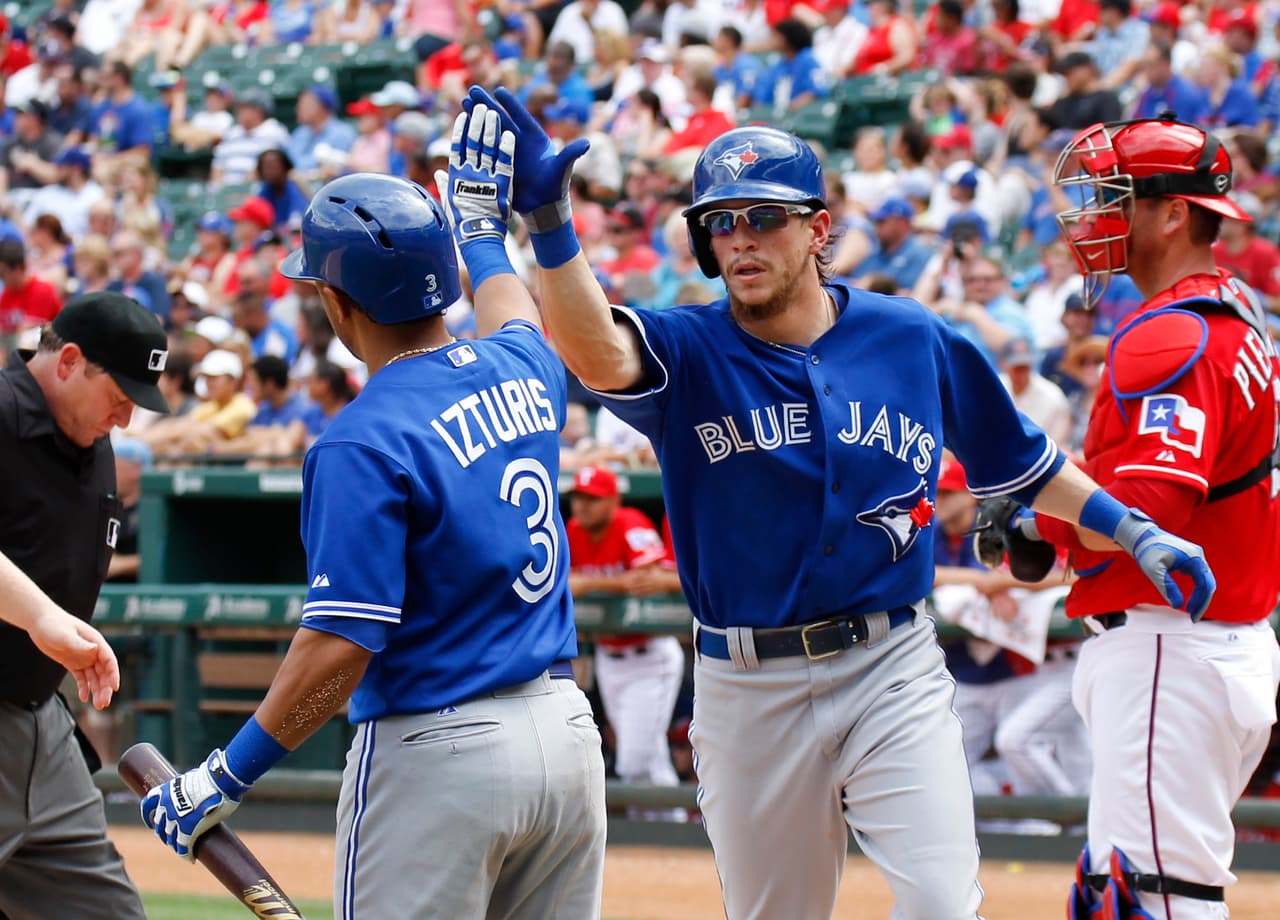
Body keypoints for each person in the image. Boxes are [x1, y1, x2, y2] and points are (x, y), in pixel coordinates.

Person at [473, 87, 1215, 919]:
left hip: (889, 665)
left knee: (942, 905)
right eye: (722, 223)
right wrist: (548, 224)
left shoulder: (909, 334)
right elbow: (597, 353)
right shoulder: (690, 343)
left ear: (817, 229)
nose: (742, 240)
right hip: (746, 684)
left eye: (765, 218)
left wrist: (1133, 528)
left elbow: (1025, 461)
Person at [141, 117, 607, 918]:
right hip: (566, 737)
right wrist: (482, 226)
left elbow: (343, 643)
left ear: (334, 302)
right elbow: (510, 303)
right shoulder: (526, 363)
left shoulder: (361, 437)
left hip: (440, 754)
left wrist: (225, 775)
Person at [1018, 115, 1280, 919]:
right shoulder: (1235, 310)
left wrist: (1040, 524)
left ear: (1174, 212)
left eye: (1114, 197)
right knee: (1137, 894)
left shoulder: (1172, 332)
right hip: (1207, 644)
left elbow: (1151, 515)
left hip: (1172, 642)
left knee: (1152, 905)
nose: (1093, 218)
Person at [0, 291, 171, 919]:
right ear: (68, 360)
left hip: (41, 726)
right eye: (120, 398)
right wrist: (42, 616)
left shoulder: (89, 437)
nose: (126, 421)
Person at [565, 465, 684, 804]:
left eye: (593, 499)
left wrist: (590, 584)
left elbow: (647, 578)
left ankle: (665, 825)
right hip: (608, 656)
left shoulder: (629, 522)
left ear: (613, 500)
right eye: (578, 498)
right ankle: (669, 826)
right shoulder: (574, 529)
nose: (583, 507)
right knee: (648, 759)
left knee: (633, 760)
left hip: (648, 655)